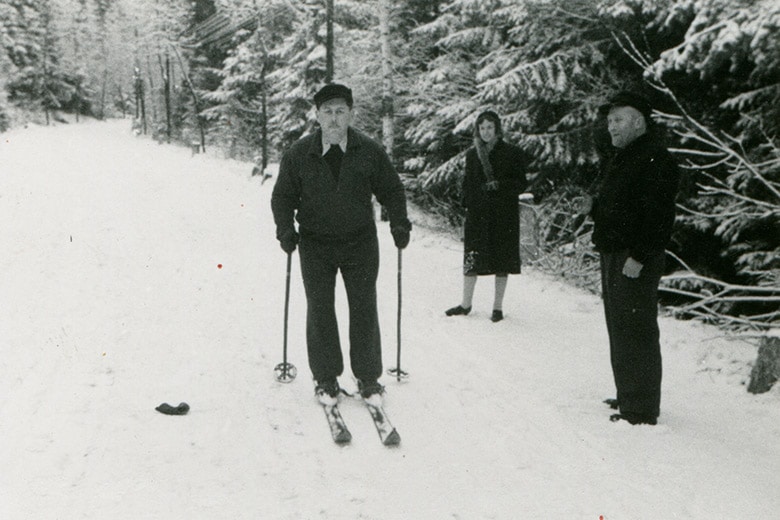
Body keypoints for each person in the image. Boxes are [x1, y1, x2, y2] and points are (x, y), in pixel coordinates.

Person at [271, 84, 411, 403]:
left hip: (359, 243)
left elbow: (392, 189)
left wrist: (400, 222)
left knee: (364, 307)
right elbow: (282, 196)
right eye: (328, 112)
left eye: (340, 112)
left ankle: (368, 378)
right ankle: (325, 378)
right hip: (315, 244)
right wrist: (284, 230)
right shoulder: (299, 154)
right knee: (320, 310)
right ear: (317, 115)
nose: (334, 119)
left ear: (350, 114)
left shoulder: (369, 150)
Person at [576, 91, 680, 426]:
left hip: (634, 257)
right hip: (613, 251)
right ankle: (629, 394)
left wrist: (639, 256)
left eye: (618, 120)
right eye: (609, 122)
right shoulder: (623, 156)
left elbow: (658, 216)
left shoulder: (655, 158)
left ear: (639, 121)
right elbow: (623, 206)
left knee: (635, 329)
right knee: (620, 327)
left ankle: (640, 409)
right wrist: (593, 207)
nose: (611, 128)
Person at [445, 110, 529, 322]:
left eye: (490, 127)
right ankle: (465, 305)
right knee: (472, 258)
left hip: (503, 215)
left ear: (497, 129)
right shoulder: (472, 154)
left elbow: (521, 183)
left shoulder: (512, 153)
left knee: (502, 260)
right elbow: (467, 182)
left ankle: (497, 308)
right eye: (482, 128)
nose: (486, 132)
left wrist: (500, 185)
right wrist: (467, 201)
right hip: (478, 215)